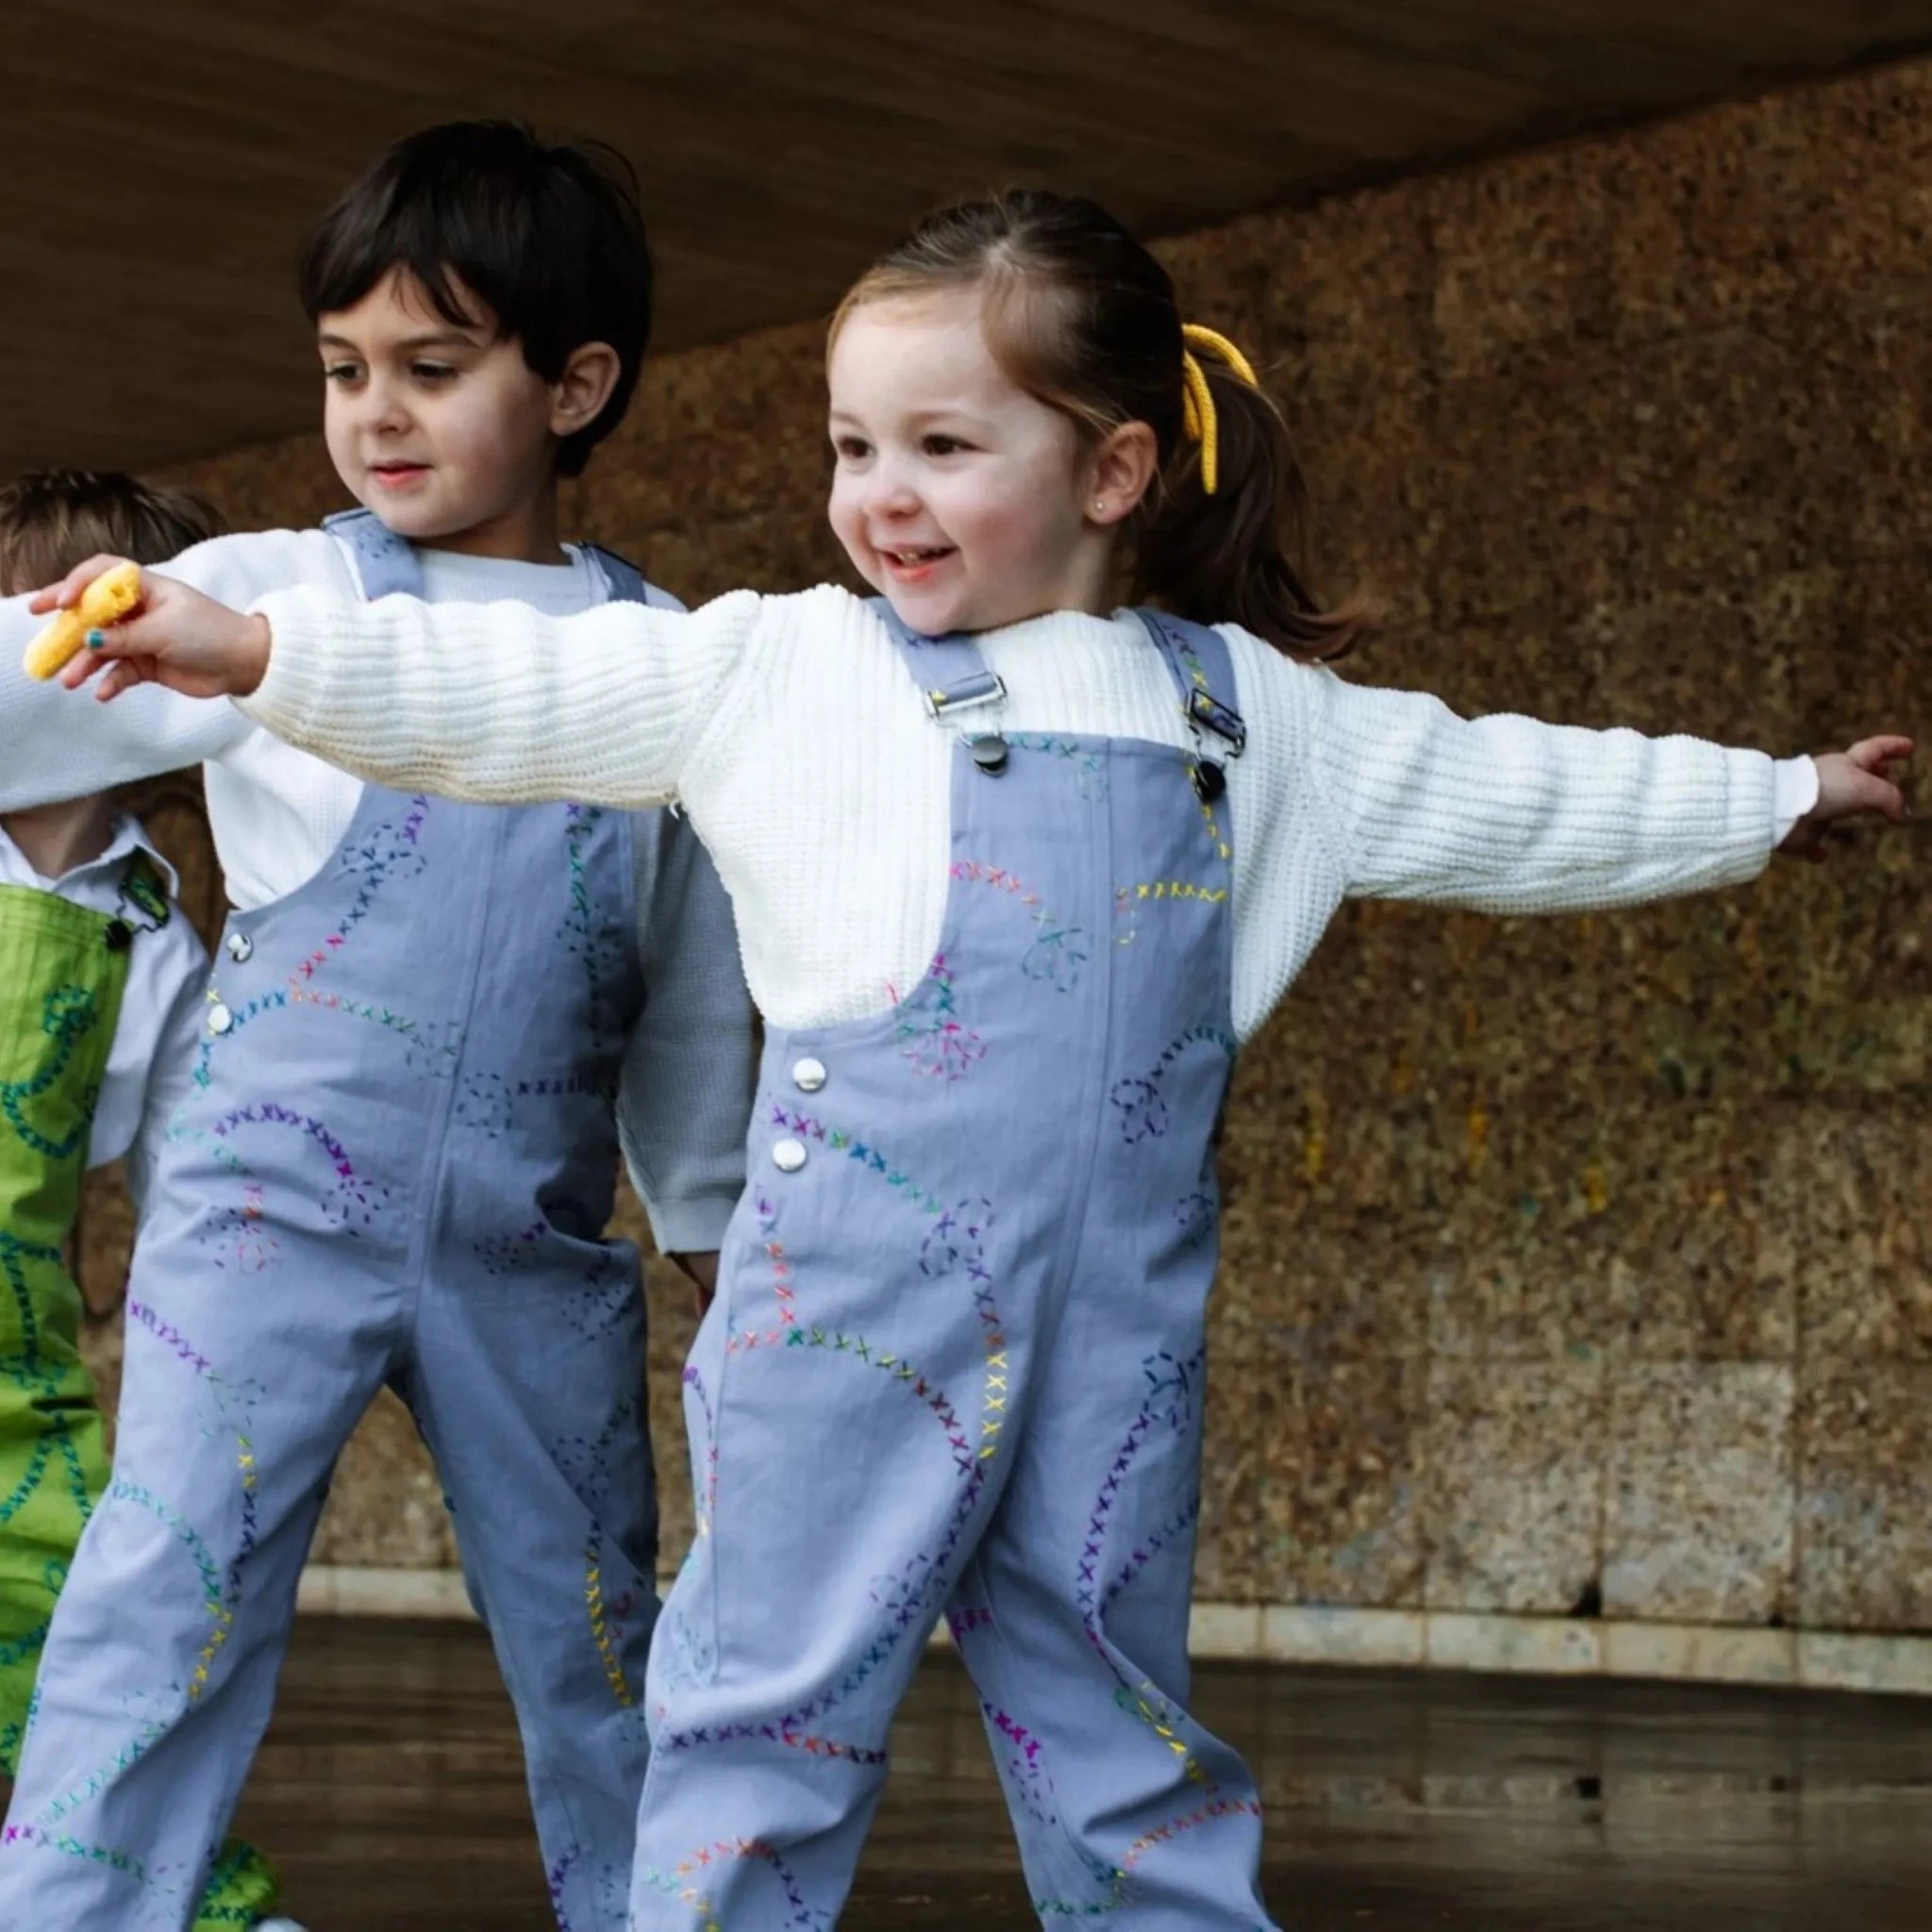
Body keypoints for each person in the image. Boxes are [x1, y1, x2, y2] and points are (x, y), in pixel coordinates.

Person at [40, 189, 1911, 1929]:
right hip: (846, 1311)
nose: (881, 495)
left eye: (944, 447)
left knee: (1122, 1713)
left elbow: (1524, 787)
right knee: (764, 1698)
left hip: (1113, 1324)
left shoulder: (1258, 719)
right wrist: (256, 647)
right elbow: (503, 694)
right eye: (854, 448)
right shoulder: (780, 670)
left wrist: (1770, 798)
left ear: (1109, 469)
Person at [0, 125, 754, 1932]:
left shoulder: (665, 664)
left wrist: (714, 1219)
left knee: (598, 1633)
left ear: (577, 384)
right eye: (345, 370)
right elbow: (29, 702)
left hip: (532, 1240)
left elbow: (692, 986)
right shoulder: (280, 592)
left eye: (434, 368)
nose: (375, 414)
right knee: (162, 1599)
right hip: (260, 1222)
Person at [0, 470, 305, 1932]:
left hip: (21, 1376)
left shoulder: (152, 924)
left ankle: (180, 1903)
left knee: (76, 1645)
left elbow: (193, 1172)